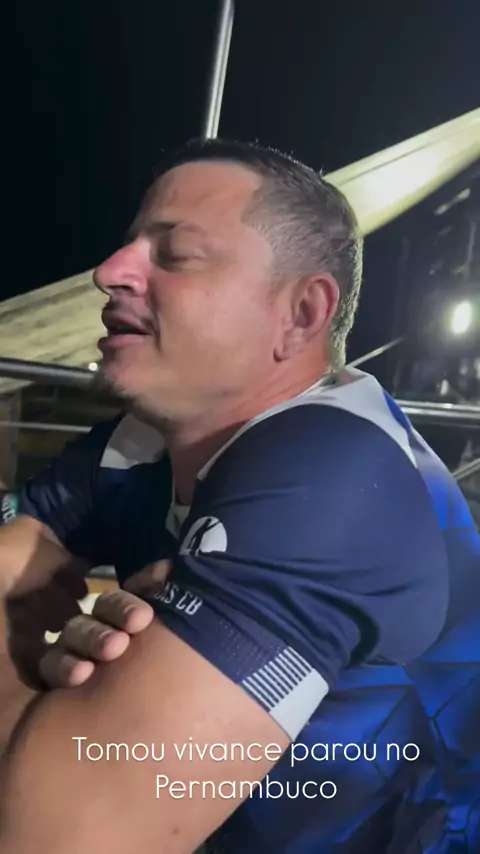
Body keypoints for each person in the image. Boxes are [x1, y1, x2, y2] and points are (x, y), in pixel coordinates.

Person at [0, 138, 479, 854]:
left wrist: (41, 687)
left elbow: (58, 840)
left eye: (176, 255)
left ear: (301, 314)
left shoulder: (336, 472)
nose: (108, 272)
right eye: (128, 245)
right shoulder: (140, 442)